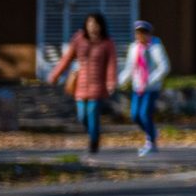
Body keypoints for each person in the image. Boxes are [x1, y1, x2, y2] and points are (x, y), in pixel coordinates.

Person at [45, 11, 117, 154]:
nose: (92, 27)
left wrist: (111, 81)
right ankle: (92, 133)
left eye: (95, 24)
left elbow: (111, 64)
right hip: (80, 84)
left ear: (101, 26)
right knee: (82, 115)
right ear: (86, 25)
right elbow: (66, 59)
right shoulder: (78, 40)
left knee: (92, 112)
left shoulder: (107, 43)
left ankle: (94, 141)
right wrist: (55, 74)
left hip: (97, 85)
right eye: (90, 23)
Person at [120, 19, 170, 155]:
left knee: (144, 114)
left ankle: (151, 143)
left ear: (149, 33)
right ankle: (152, 132)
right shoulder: (134, 48)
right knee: (135, 115)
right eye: (138, 33)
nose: (141, 35)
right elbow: (129, 68)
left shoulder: (155, 46)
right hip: (138, 87)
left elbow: (164, 67)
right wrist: (120, 81)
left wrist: (151, 80)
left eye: (144, 32)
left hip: (151, 88)